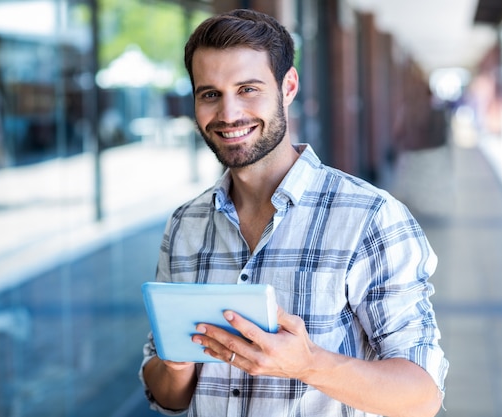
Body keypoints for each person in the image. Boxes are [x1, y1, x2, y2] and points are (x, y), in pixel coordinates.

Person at [140, 8, 448, 417]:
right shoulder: (184, 225)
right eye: (210, 94)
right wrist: (175, 365)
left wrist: (308, 365)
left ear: (288, 87)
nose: (229, 114)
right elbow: (168, 396)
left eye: (248, 89)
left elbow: (423, 396)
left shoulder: (370, 217)